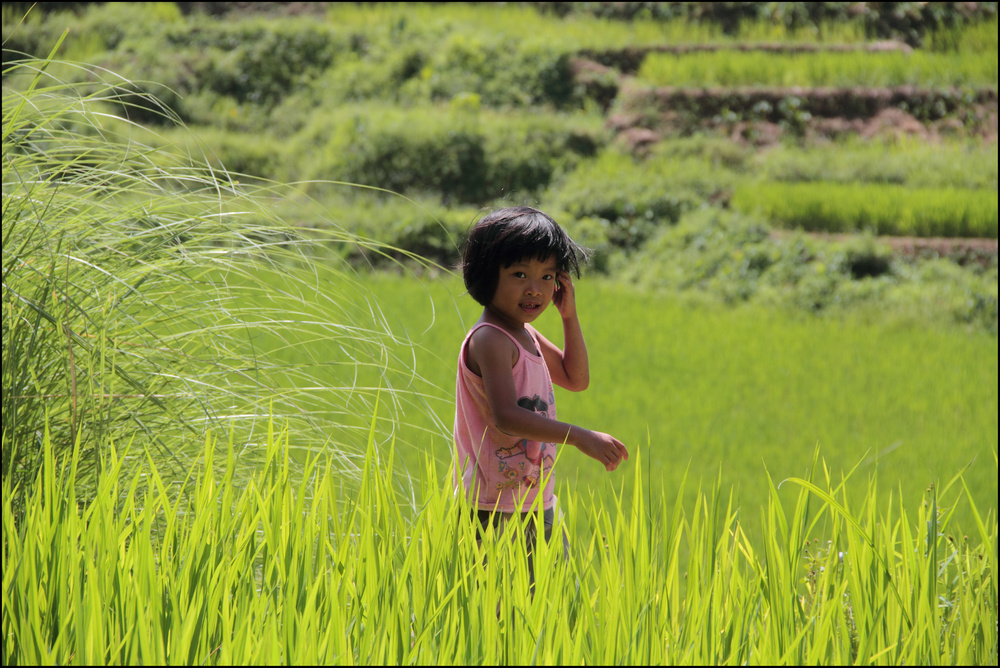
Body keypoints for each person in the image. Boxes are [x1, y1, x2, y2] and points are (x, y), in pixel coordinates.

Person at [453, 205, 629, 586]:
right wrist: (580, 436)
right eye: (519, 274)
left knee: (548, 606)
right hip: (492, 508)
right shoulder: (490, 339)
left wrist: (569, 316)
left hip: (536, 501)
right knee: (495, 613)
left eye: (547, 276)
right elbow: (506, 416)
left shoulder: (524, 333)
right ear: (486, 275)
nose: (535, 288)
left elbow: (574, 377)